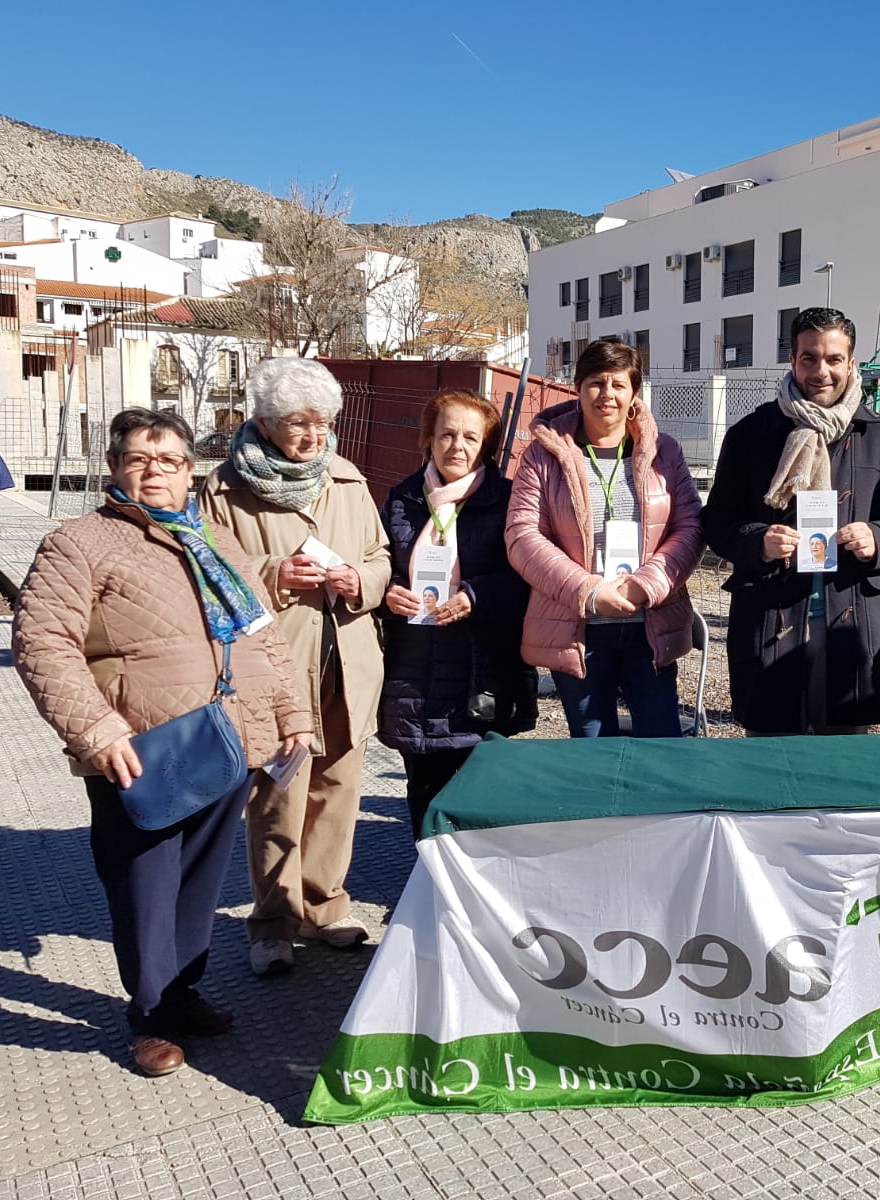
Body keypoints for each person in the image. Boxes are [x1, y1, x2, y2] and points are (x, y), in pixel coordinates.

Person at [12, 408, 311, 1077]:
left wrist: (293, 714)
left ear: (189, 471)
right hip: (141, 750)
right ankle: (149, 1016)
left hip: (227, 739)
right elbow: (41, 642)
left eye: (170, 460)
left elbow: (263, 637)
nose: (155, 471)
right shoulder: (78, 543)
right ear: (115, 467)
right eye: (139, 459)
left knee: (199, 882)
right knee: (144, 883)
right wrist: (95, 728)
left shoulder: (216, 541)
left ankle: (181, 993)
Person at [199, 358, 391, 977]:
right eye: (298, 423)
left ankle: (325, 906)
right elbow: (206, 571)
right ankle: (273, 923)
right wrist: (274, 574)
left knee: (338, 789)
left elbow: (380, 555)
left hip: (347, 657)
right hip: (275, 667)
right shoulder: (225, 488)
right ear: (263, 422)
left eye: (322, 422)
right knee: (278, 795)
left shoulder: (346, 478)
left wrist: (361, 579)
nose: (313, 435)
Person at [701, 307, 880, 735]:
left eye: (834, 359)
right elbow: (716, 520)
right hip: (771, 618)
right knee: (771, 754)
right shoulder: (751, 435)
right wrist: (757, 540)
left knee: (843, 757)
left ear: (851, 363)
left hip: (852, 620)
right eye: (810, 358)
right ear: (793, 361)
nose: (821, 371)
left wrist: (879, 538)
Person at [506, 337, 703, 737]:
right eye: (596, 382)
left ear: (634, 393)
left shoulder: (665, 452)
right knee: (593, 748)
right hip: (576, 627)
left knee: (661, 745)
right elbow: (522, 535)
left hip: (650, 625)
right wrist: (590, 591)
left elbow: (691, 527)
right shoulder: (543, 455)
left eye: (618, 384)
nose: (607, 394)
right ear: (578, 387)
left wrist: (646, 585)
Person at [378, 389, 530, 837]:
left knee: (476, 799)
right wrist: (390, 591)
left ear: (486, 446)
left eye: (470, 437)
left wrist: (475, 596)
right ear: (428, 439)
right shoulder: (402, 499)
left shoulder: (508, 500)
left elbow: (527, 579)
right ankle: (425, 876)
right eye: (446, 435)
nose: (457, 446)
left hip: (479, 675)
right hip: (413, 672)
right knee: (422, 793)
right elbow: (378, 562)